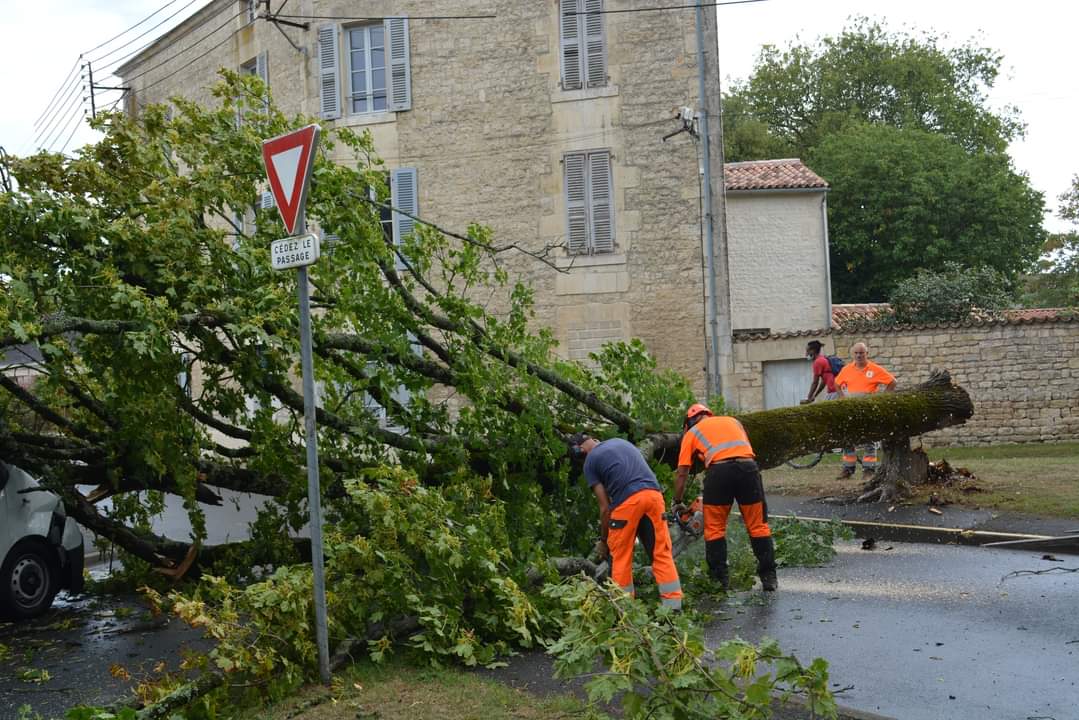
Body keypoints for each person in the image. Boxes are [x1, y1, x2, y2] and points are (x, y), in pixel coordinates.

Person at [570, 433, 683, 611]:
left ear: (580, 450)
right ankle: (674, 608)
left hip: (627, 503)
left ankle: (626, 613)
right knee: (661, 553)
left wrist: (604, 541)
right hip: (654, 497)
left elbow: (605, 508)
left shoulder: (590, 461)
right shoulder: (620, 442)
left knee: (620, 559)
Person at [672, 404, 777, 592]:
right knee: (758, 526)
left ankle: (719, 582)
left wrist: (677, 501)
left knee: (715, 529)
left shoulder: (692, 433)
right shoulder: (734, 422)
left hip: (719, 473)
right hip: (749, 469)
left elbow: (682, 472)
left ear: (688, 423)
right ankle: (769, 578)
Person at [834, 342, 897, 479]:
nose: (858, 355)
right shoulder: (847, 369)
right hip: (850, 410)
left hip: (868, 410)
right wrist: (842, 398)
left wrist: (882, 399)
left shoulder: (875, 369)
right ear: (853, 354)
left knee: (870, 439)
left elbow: (892, 382)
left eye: (861, 353)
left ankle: (869, 470)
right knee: (848, 438)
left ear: (867, 354)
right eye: (856, 353)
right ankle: (848, 469)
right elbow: (837, 383)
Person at [801, 340, 838, 404]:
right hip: (837, 390)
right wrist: (814, 395)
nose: (806, 354)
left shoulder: (817, 362)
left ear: (813, 351)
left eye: (807, 351)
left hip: (834, 391)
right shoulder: (823, 359)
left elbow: (815, 383)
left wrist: (808, 398)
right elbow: (823, 382)